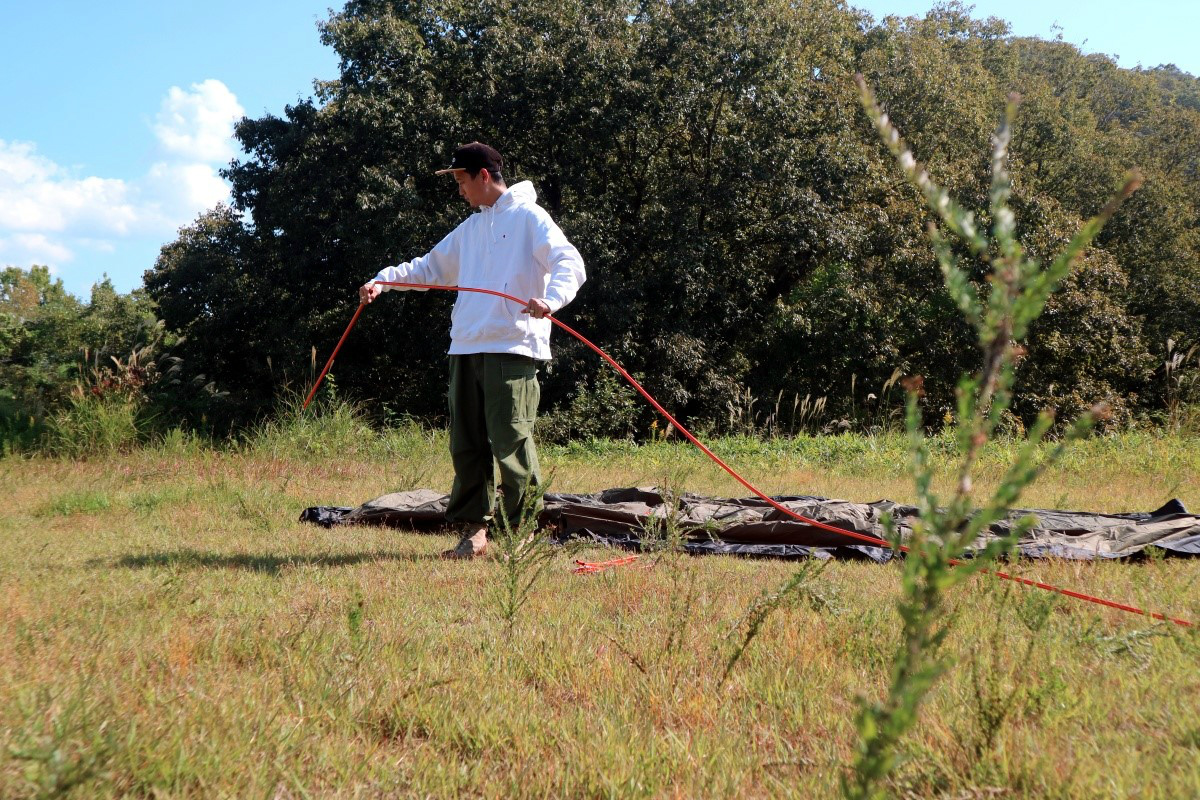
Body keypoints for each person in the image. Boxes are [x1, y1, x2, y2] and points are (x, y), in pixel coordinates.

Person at [359, 142, 586, 558]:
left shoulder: (530, 218)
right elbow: (428, 268)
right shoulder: (471, 228)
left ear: (484, 176)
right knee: (467, 443)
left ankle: (522, 533)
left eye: (462, 181)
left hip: (511, 345)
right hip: (465, 347)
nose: (459, 190)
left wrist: (550, 300)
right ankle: (474, 533)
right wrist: (382, 281)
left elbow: (568, 261)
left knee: (511, 440)